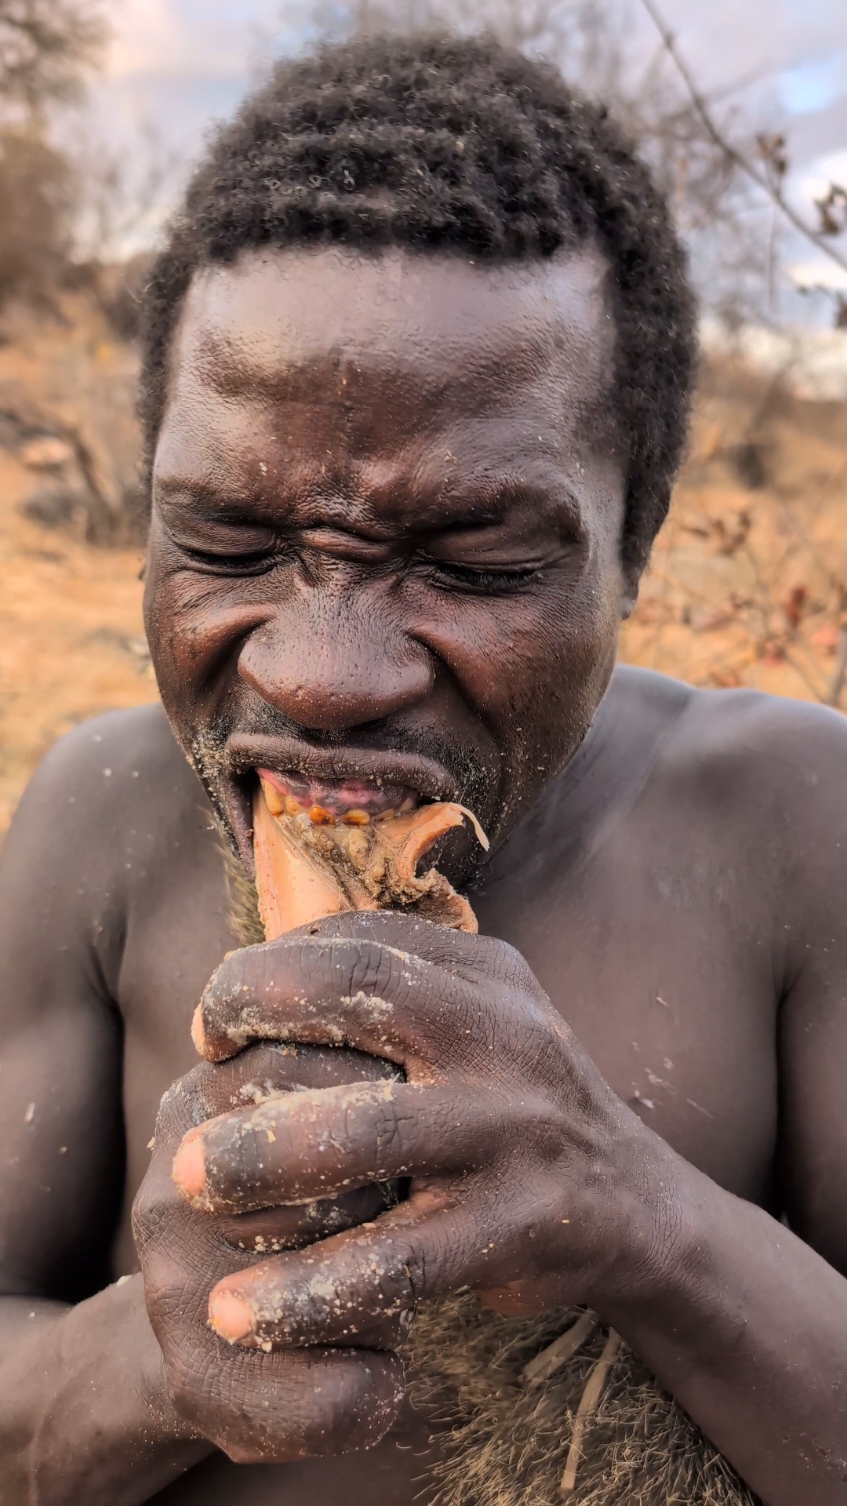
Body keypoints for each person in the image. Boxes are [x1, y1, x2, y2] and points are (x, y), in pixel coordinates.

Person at [2, 31, 847, 1506]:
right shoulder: (102, 817)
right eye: (227, 544)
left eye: (473, 560)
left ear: (631, 543)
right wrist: (156, 1354)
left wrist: (636, 1215)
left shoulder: (787, 820)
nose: (318, 673)